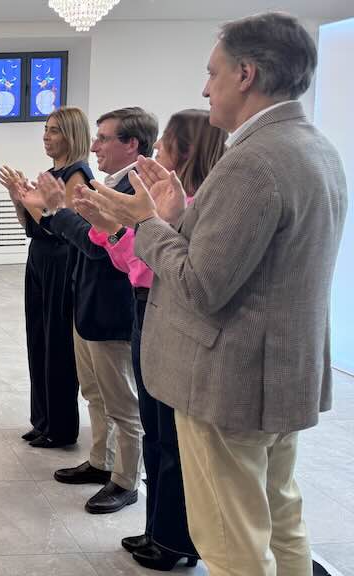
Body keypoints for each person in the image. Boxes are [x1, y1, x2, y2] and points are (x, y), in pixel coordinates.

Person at [86, 13, 346, 576]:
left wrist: (146, 223)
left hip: (231, 382)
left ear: (246, 74)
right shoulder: (315, 147)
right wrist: (175, 218)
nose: (205, 89)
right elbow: (253, 266)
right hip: (280, 375)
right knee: (280, 520)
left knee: (230, 542)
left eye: (213, 73)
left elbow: (200, 285)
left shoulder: (251, 162)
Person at [74, 109, 226, 571]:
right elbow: (133, 264)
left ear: (187, 150)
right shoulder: (168, 202)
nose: (156, 150)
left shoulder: (194, 206)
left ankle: (175, 539)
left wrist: (126, 227)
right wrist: (115, 229)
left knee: (170, 437)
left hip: (167, 315)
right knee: (157, 431)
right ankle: (158, 528)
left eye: (165, 144)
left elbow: (158, 269)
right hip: (149, 309)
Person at [17, 107, 157, 515]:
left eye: (104, 138)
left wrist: (58, 212)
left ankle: (125, 481)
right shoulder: (110, 185)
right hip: (87, 302)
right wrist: (57, 212)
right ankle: (101, 460)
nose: (94, 147)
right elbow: (88, 238)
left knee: (122, 404)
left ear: (131, 144)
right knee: (95, 392)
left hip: (111, 310)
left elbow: (101, 247)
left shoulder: (136, 190)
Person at [0, 106, 88, 451]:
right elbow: (32, 226)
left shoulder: (77, 173)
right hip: (40, 260)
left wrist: (28, 197)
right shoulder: (51, 174)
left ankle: (60, 427)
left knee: (58, 344)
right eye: (45, 130)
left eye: (54, 130)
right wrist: (18, 199)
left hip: (62, 263)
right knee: (38, 338)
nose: (46, 137)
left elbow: (59, 225)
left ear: (72, 134)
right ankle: (42, 420)